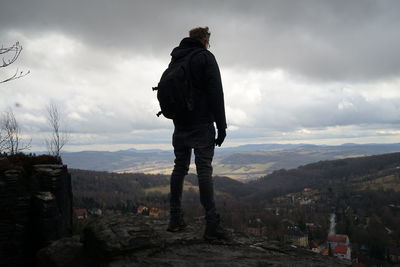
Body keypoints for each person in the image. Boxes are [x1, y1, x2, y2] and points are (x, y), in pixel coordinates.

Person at [166, 26, 228, 240]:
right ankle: (211, 225)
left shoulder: (176, 58)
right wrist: (222, 126)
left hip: (180, 124)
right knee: (203, 170)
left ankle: (175, 219)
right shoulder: (205, 57)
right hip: (202, 123)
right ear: (205, 40)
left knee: (179, 169)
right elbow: (216, 93)